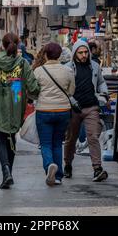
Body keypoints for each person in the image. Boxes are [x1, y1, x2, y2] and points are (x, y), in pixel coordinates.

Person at [0, 33, 40, 189]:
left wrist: (1, 80)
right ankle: (10, 172)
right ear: (18, 44)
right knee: (11, 137)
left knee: (0, 138)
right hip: (16, 100)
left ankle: (6, 171)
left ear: (2, 45)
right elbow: (33, 87)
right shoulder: (23, 63)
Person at [64, 40, 109, 182]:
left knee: (93, 137)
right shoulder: (67, 68)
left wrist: (104, 93)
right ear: (75, 54)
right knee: (71, 138)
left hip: (91, 107)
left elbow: (101, 82)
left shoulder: (95, 66)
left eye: (85, 52)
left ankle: (97, 168)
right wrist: (71, 102)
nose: (84, 55)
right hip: (74, 108)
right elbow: (64, 89)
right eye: (80, 53)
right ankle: (68, 165)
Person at [34, 43, 75, 186]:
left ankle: (49, 166)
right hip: (63, 111)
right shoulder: (68, 71)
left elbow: (33, 91)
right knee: (57, 143)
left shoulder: (38, 71)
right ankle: (57, 176)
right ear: (59, 55)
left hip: (44, 110)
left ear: (45, 55)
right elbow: (71, 91)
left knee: (45, 143)